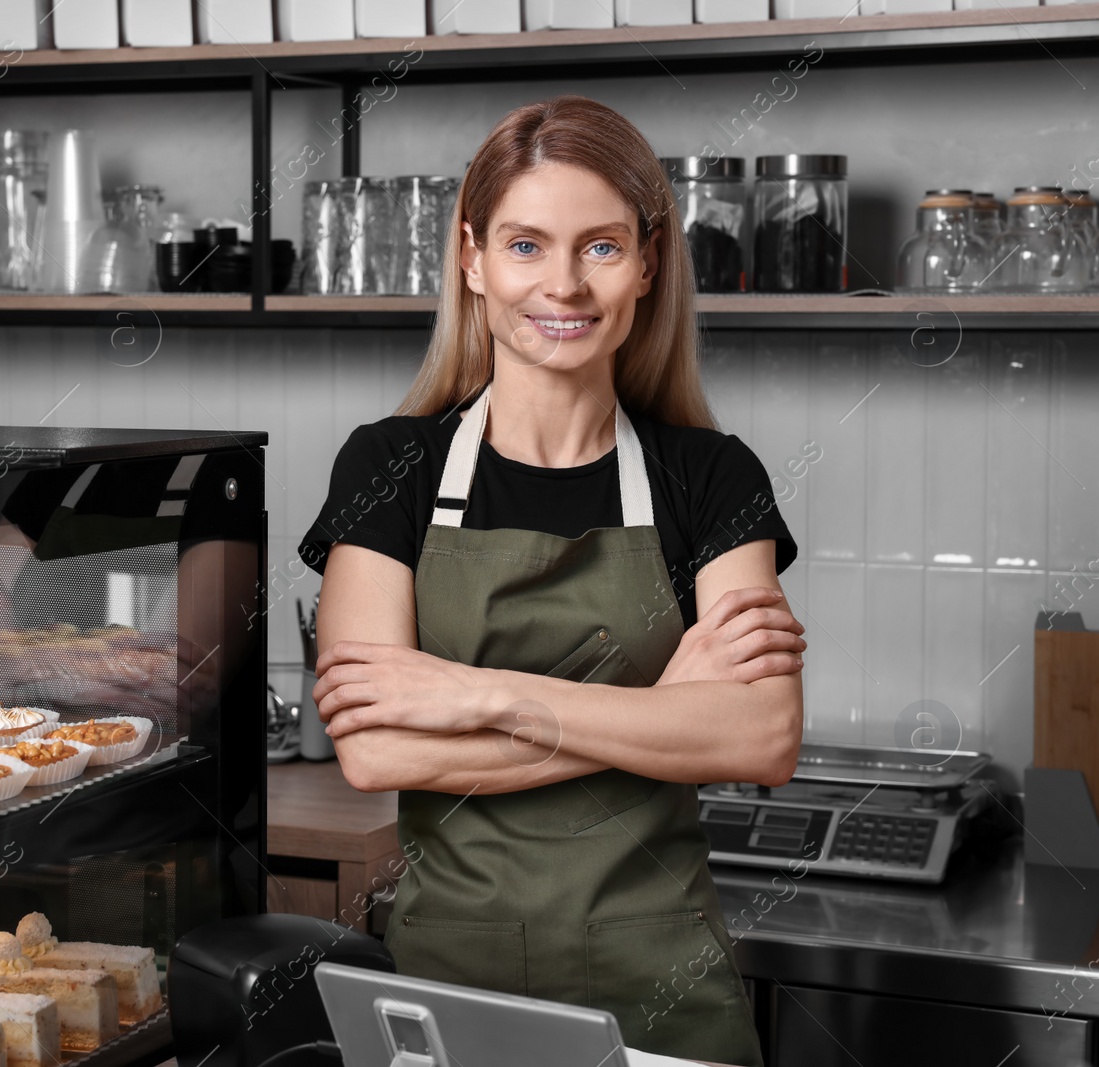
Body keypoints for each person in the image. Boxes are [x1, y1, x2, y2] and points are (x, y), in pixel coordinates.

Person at [297, 96, 806, 1067]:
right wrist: (661, 715)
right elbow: (370, 751)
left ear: (648, 262)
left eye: (600, 247)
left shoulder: (709, 475)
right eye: (526, 245)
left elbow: (761, 733)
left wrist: (478, 693)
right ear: (472, 256)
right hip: (452, 988)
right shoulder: (389, 465)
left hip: (668, 991)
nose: (563, 284)